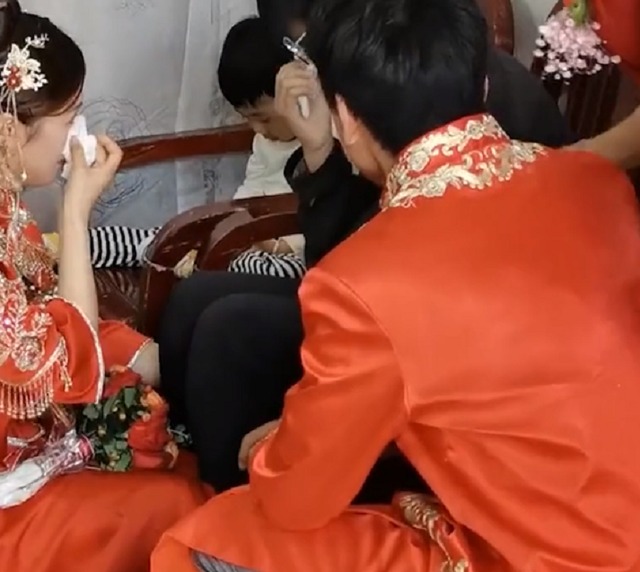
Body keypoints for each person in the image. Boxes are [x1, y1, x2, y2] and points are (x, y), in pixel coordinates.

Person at [152, 0, 640, 570]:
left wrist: (274, 453)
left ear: (344, 118)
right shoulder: (598, 183)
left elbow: (295, 499)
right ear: (482, 83)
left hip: (538, 552)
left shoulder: (364, 281)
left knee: (203, 538)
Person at [0, 4, 208, 572]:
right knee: (181, 505)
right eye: (70, 117)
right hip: (13, 500)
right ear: (12, 128)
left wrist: (147, 356)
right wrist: (74, 212)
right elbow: (59, 365)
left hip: (36, 440)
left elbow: (50, 311)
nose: (79, 135)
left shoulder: (9, 210)